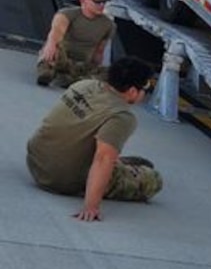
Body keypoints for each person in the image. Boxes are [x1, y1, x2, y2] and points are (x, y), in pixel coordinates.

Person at [26, 57, 162, 220]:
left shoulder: (84, 85)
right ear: (133, 91)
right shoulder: (121, 116)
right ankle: (120, 167)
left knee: (115, 154)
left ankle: (119, 164)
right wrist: (91, 206)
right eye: (146, 87)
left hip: (35, 162)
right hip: (59, 180)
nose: (146, 92)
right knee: (153, 179)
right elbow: (102, 159)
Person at [36, 0, 115, 88]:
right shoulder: (66, 14)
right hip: (62, 57)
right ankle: (48, 71)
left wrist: (96, 68)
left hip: (82, 63)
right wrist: (51, 46)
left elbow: (99, 51)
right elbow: (56, 35)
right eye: (97, 2)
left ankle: (75, 79)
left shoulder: (108, 25)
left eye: (103, 2)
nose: (101, 5)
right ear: (83, 1)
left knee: (111, 73)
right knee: (54, 47)